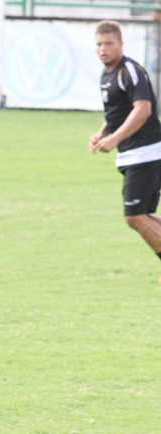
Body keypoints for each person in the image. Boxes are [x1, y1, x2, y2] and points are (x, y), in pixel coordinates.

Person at [90, 20, 161, 280]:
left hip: (147, 151)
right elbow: (119, 112)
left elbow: (143, 109)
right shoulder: (107, 74)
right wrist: (102, 133)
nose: (103, 49)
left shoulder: (129, 69)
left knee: (135, 216)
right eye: (99, 44)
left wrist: (114, 139)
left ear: (121, 44)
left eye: (109, 43)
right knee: (141, 215)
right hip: (136, 154)